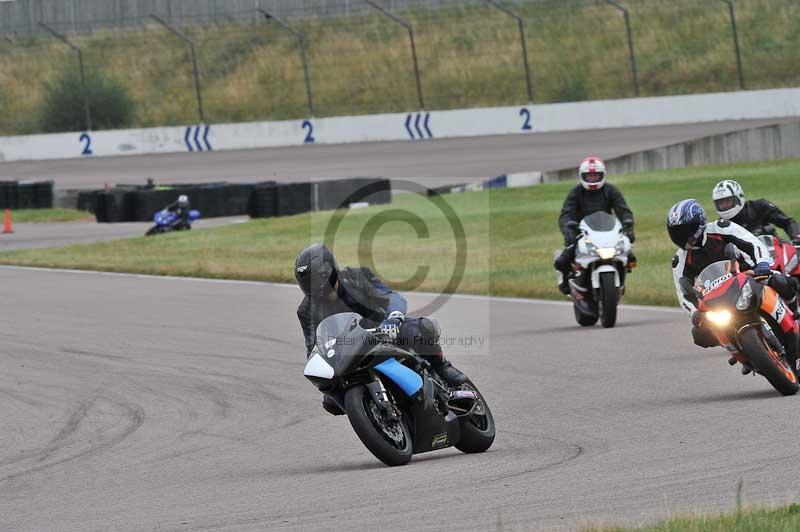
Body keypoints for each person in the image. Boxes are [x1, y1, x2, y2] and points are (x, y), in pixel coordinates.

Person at [294, 243, 468, 416]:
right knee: (330, 400)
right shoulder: (306, 310)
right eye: (308, 284)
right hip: (349, 352)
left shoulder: (357, 276)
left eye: (317, 280)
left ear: (330, 270)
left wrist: (393, 318)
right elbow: (314, 347)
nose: (315, 288)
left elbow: (391, 297)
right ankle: (368, 412)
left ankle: (443, 369)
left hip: (385, 331)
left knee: (421, 330)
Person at [667, 199, 799, 373]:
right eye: (676, 233)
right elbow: (683, 293)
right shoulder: (680, 260)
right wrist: (695, 313)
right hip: (718, 295)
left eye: (686, 230)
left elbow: (751, 242)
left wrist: (762, 264)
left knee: (783, 281)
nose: (682, 236)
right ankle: (743, 354)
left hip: (749, 273)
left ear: (699, 223)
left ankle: (795, 314)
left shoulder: (722, 228)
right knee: (701, 334)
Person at [554, 156, 636, 294]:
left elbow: (624, 211)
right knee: (561, 261)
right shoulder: (575, 193)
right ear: (582, 176)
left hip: (607, 232)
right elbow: (565, 214)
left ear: (602, 175)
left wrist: (628, 226)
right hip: (581, 234)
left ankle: (619, 280)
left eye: (595, 175)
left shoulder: (611, 190)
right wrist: (569, 229)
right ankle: (564, 279)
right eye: (589, 176)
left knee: (630, 258)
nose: (592, 179)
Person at [712, 180, 800, 243]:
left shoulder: (759, 207)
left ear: (739, 198)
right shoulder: (721, 226)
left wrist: (796, 237)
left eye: (728, 201)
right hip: (746, 264)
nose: (724, 206)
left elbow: (787, 222)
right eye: (721, 203)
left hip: (774, 251)